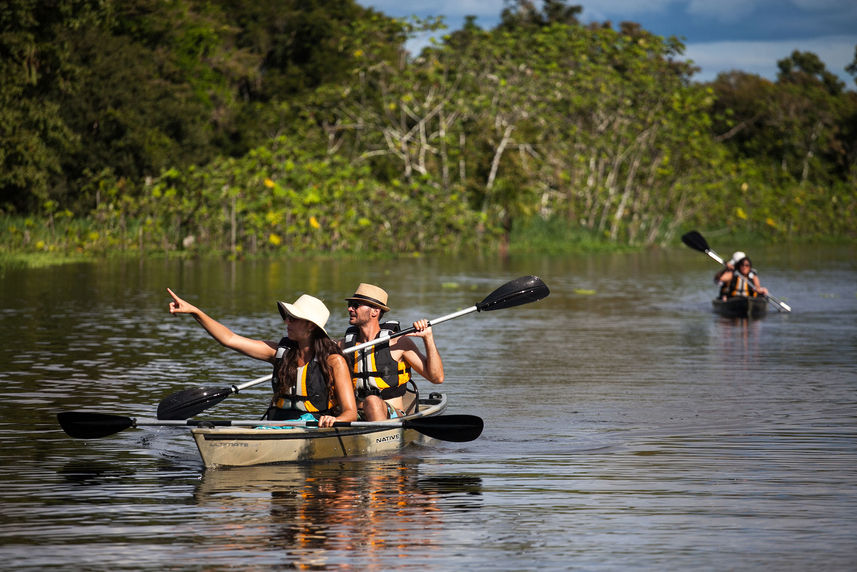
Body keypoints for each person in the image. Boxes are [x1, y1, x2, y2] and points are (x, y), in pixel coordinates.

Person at [166, 288, 357, 426]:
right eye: (287, 317)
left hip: (311, 427)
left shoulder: (334, 361)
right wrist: (195, 312)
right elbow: (230, 339)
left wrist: (335, 419)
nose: (286, 321)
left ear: (311, 326)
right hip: (277, 424)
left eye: (293, 318)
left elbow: (351, 412)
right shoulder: (279, 353)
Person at [340, 283, 444, 422]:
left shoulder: (398, 343)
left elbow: (437, 378)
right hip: (355, 416)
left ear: (374, 311)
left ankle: (379, 441)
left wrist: (428, 338)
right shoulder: (344, 346)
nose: (350, 308)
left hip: (391, 416)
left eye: (356, 305)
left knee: (372, 401)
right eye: (350, 304)